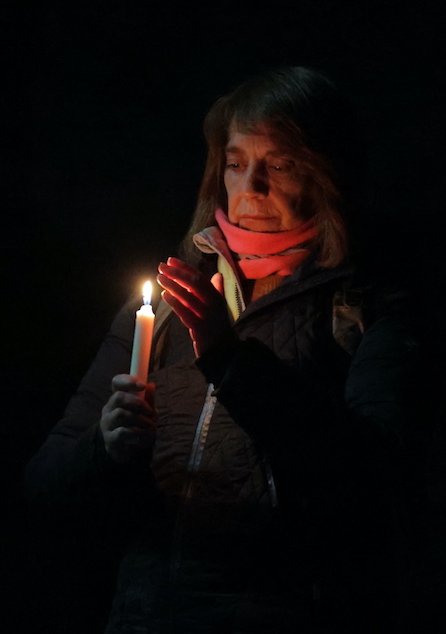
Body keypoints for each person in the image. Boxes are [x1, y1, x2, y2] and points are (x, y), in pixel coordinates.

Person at [25, 65, 426, 633]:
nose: (251, 187)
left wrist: (230, 357)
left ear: (325, 174)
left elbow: (376, 481)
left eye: (279, 165)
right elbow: (43, 484)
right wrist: (105, 446)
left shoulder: (364, 307)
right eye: (236, 164)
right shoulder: (168, 302)